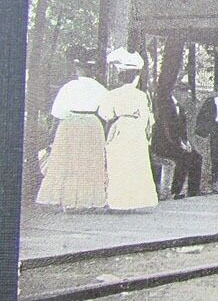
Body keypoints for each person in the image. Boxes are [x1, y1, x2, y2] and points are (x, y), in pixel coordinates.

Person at [36, 48, 108, 209]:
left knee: (66, 160)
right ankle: (87, 200)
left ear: (79, 69)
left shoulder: (68, 87)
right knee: (88, 161)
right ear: (92, 70)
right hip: (91, 124)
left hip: (70, 124)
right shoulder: (100, 89)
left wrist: (53, 132)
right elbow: (105, 113)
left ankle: (63, 198)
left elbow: (58, 112)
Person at [98, 49, 157, 210]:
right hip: (136, 130)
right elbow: (147, 118)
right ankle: (136, 201)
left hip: (120, 127)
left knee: (119, 164)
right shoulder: (141, 96)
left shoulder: (113, 94)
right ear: (135, 78)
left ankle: (118, 200)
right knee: (135, 164)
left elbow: (106, 114)